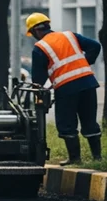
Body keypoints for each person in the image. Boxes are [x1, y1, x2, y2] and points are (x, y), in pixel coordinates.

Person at [26, 12, 102, 164]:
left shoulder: (40, 47)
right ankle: (97, 158)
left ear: (35, 31)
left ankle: (75, 159)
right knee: (89, 121)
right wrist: (86, 62)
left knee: (66, 123)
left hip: (67, 88)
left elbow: (38, 79)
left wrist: (40, 89)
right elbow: (95, 46)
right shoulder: (70, 36)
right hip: (88, 83)